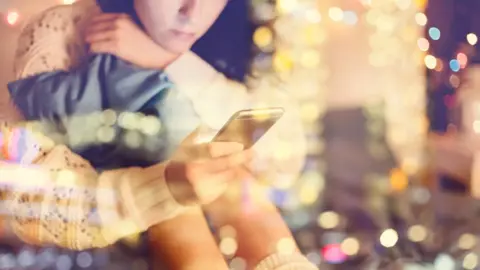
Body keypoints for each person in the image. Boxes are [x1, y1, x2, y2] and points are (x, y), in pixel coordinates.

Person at [3, 0, 315, 269]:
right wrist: (163, 189)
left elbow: (286, 161)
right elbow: (29, 201)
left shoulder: (247, 25)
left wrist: (169, 60)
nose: (191, 13)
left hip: (251, 227)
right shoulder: (64, 32)